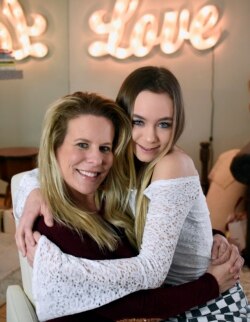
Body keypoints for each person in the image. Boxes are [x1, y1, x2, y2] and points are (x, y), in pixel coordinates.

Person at [13, 68, 249, 321]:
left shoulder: (171, 165)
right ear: (122, 122)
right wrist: (33, 191)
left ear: (177, 123)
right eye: (138, 121)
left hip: (205, 300)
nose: (150, 138)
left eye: (164, 124)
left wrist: (65, 272)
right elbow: (48, 170)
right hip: (173, 299)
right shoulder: (116, 162)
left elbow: (154, 269)